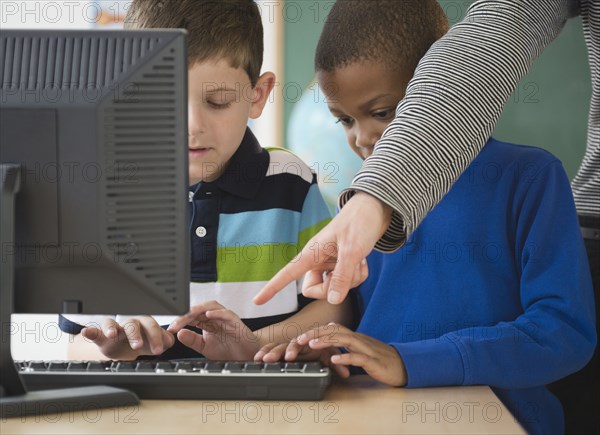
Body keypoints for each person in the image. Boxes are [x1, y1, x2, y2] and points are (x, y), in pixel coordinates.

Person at [252, 1, 599, 432]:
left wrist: (406, 361)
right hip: (370, 417)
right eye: (344, 120)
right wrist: (326, 350)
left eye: (381, 113)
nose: (361, 138)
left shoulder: (528, 178)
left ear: (434, 86)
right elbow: (359, 317)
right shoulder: (359, 204)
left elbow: (562, 334)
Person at [60, 0, 353, 361]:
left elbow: (336, 308)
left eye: (217, 101)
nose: (192, 125)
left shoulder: (291, 183)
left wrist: (255, 346)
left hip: (263, 410)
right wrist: (111, 352)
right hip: (147, 413)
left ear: (256, 95)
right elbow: (74, 347)